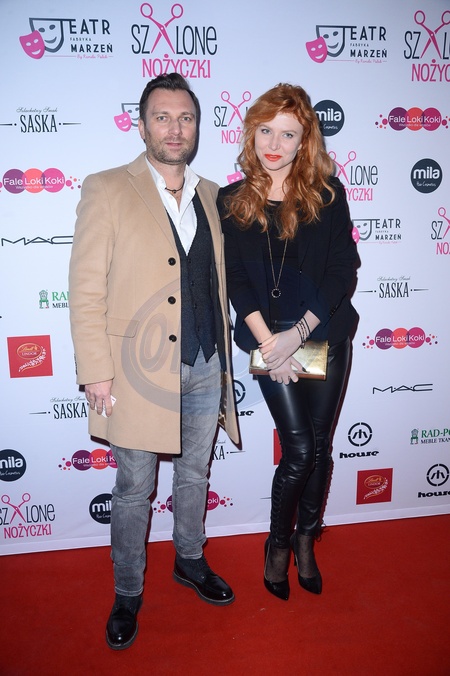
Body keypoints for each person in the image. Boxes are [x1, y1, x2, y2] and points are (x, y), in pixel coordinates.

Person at [69, 73, 239, 650]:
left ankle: (189, 559)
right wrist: (96, 370)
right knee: (133, 487)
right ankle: (127, 591)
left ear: (197, 127)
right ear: (141, 126)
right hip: (135, 373)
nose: (175, 128)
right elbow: (86, 289)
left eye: (185, 118)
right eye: (162, 117)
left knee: (195, 474)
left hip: (206, 362)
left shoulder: (215, 195)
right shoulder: (106, 188)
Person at [218, 83, 358, 601]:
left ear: (305, 141)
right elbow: (235, 280)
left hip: (323, 334)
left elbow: (343, 271)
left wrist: (296, 335)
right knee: (299, 448)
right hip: (265, 337)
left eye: (288, 134)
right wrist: (269, 346)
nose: (274, 144)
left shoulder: (328, 194)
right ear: (251, 132)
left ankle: (306, 539)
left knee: (320, 446)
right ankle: (277, 544)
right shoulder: (232, 199)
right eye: (265, 130)